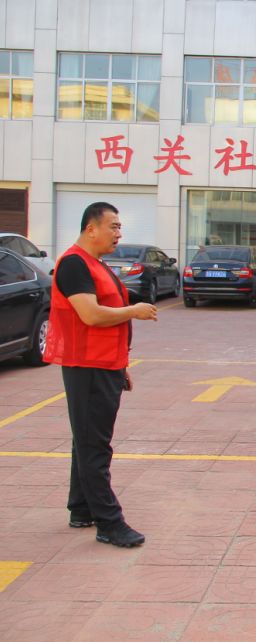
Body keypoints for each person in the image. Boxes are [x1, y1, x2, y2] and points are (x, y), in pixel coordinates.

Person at [43, 202, 157, 548]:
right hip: (87, 365)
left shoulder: (95, 263)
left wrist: (121, 365)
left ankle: (81, 508)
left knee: (86, 438)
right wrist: (133, 311)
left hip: (104, 363)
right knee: (95, 445)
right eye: (113, 226)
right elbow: (91, 315)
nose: (119, 233)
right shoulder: (74, 264)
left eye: (120, 226)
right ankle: (110, 522)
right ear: (91, 228)